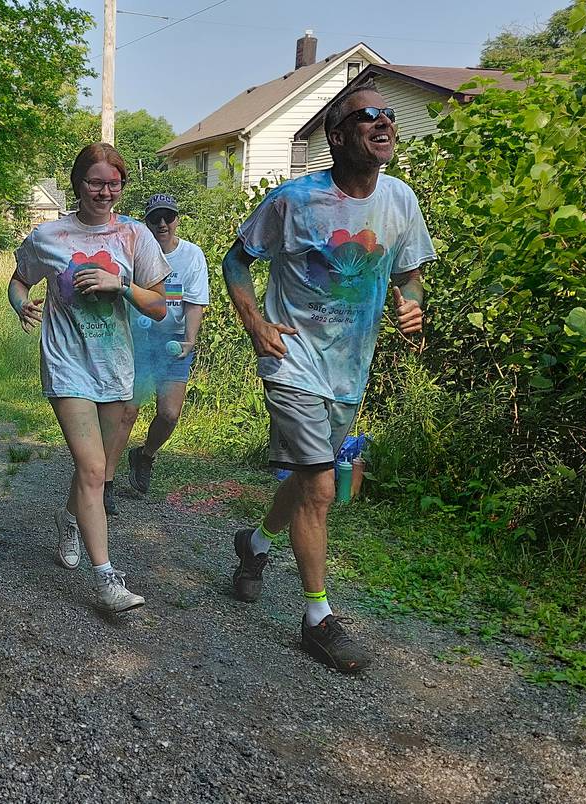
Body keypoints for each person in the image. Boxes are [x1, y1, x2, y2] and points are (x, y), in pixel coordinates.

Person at [222, 81, 435, 672]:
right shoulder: (294, 201)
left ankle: (257, 544)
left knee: (305, 475)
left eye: (388, 114)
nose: (383, 122)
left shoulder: (400, 201)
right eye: (366, 116)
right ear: (337, 137)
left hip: (347, 370)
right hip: (290, 360)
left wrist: (411, 301)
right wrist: (255, 322)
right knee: (320, 486)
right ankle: (318, 618)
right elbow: (236, 261)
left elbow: (408, 272)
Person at [7, 142, 170, 613]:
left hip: (115, 367)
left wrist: (120, 284)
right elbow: (19, 280)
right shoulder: (48, 236)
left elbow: (160, 307)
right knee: (95, 468)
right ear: (78, 183)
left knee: (94, 470)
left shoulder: (135, 237)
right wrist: (23, 305)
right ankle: (107, 580)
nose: (105, 192)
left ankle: (70, 519)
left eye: (113, 184)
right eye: (95, 182)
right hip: (66, 364)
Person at [105, 194, 209, 508]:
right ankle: (105, 483)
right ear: (146, 222)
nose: (162, 224)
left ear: (177, 219)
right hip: (137, 342)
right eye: (155, 218)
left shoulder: (192, 256)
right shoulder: (134, 251)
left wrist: (190, 339)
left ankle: (144, 455)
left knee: (169, 414)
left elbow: (195, 302)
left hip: (174, 343)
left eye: (168, 217)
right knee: (127, 413)